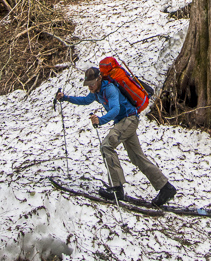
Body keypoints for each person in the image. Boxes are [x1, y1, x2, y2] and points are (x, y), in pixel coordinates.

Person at [56, 66, 177, 207]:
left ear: (99, 79)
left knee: (106, 145)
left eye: (92, 83)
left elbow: (115, 109)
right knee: (137, 157)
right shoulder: (96, 92)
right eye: (88, 84)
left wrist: (100, 120)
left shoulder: (110, 89)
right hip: (125, 121)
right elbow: (85, 100)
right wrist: (66, 98)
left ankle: (117, 189)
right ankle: (166, 188)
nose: (90, 87)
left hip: (128, 119)